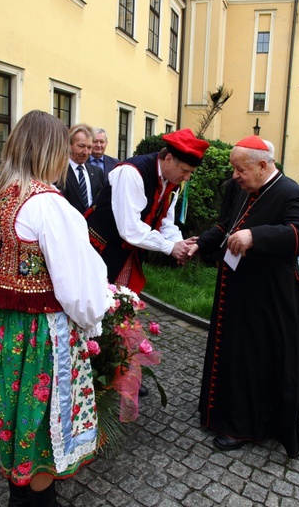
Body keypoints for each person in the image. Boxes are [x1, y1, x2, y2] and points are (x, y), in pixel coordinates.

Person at [0, 110, 109, 506]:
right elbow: (78, 291)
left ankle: (18, 490)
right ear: (53, 152)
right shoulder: (49, 206)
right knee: (37, 426)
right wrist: (94, 319)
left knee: (11, 410)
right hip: (40, 334)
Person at [187, 135, 299, 459]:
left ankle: (244, 426)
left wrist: (256, 235)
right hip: (234, 288)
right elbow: (226, 225)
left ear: (263, 166)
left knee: (252, 358)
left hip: (267, 297)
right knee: (230, 351)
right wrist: (200, 243)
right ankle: (219, 414)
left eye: (240, 169)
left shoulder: (290, 193)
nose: (234, 176)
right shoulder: (240, 188)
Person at [86, 128, 210, 397]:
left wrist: (179, 244)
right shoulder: (131, 173)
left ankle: (119, 372)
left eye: (190, 172)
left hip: (126, 253)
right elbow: (129, 228)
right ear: (167, 159)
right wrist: (170, 247)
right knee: (96, 310)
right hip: (100, 250)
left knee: (122, 311)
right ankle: (93, 374)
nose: (187, 177)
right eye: (185, 170)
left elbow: (165, 220)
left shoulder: (170, 180)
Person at [57, 124, 104, 214]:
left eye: (89, 147)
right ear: (69, 145)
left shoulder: (97, 172)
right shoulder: (58, 171)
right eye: (81, 146)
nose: (86, 152)